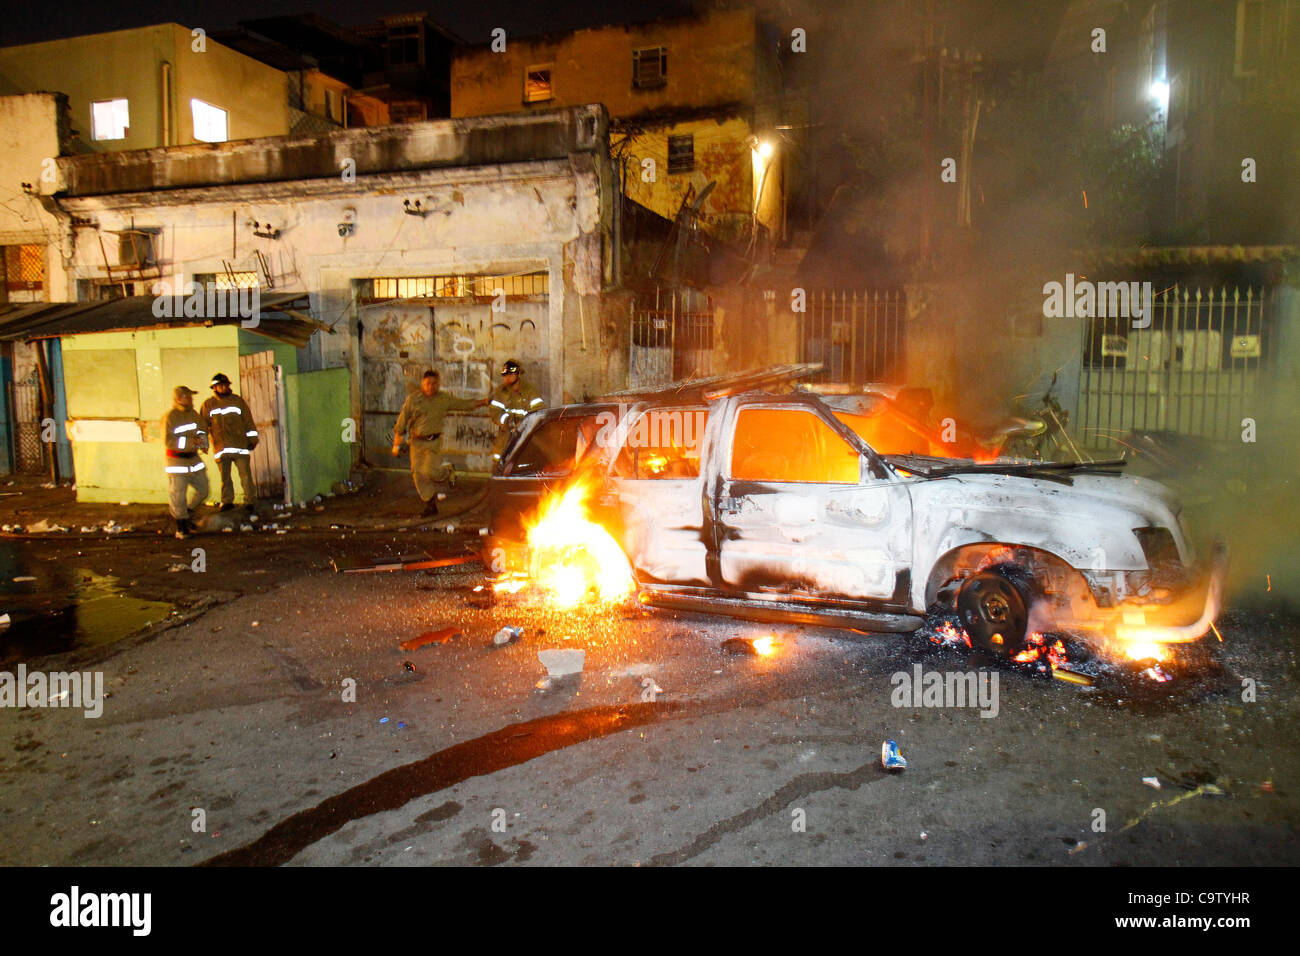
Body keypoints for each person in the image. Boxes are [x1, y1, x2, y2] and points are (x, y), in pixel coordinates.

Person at [392, 369, 482, 517]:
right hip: (416, 443)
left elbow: (463, 404)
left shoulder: (443, 399)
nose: (430, 387)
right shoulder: (413, 399)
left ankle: (448, 471)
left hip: (432, 443)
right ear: (422, 383)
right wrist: (396, 444)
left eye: (434, 384)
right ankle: (431, 505)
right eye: (427, 384)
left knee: (429, 471)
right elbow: (402, 421)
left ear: (438, 384)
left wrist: (483, 402)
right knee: (418, 475)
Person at [199, 372, 259, 512]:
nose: (224, 387)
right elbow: (203, 426)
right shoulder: (208, 405)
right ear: (214, 388)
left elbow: (248, 421)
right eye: (220, 385)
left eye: (225, 384)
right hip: (221, 448)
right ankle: (227, 501)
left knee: (245, 476)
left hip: (239, 446)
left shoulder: (238, 401)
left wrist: (252, 439)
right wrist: (202, 444)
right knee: (225, 477)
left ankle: (250, 501)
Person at [162, 385, 209, 539]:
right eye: (187, 396)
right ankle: (181, 525)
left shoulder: (194, 415)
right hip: (176, 462)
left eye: (191, 396)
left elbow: (202, 431)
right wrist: (191, 442)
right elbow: (169, 441)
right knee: (178, 495)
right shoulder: (170, 417)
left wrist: (203, 443)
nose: (191, 399)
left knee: (203, 490)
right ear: (179, 398)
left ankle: (187, 512)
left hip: (193, 459)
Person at [488, 359, 545, 462]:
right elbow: (495, 413)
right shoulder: (500, 392)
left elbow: (538, 412)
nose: (507, 378)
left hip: (525, 436)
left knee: (523, 462)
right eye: (505, 375)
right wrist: (509, 422)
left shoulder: (530, 391)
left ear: (518, 374)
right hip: (505, 437)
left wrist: (523, 423)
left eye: (511, 375)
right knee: (499, 463)